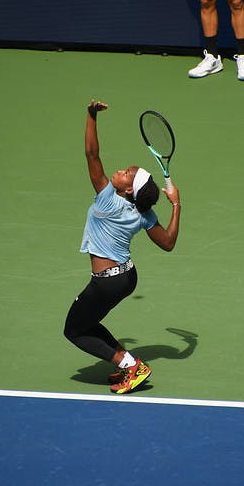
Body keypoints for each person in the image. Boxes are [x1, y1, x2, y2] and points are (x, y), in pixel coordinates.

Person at [64, 100, 181, 394]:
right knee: (89, 321)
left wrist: (91, 116)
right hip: (127, 278)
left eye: (126, 173)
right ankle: (127, 362)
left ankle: (130, 365)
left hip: (108, 282)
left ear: (128, 190)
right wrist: (176, 204)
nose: (120, 170)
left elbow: (91, 153)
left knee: (74, 329)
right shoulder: (144, 214)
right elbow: (167, 243)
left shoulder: (107, 199)